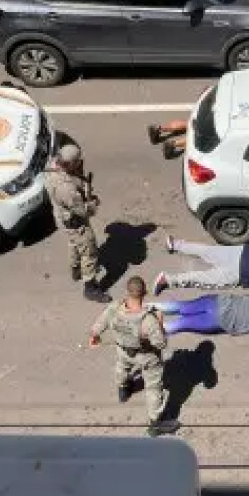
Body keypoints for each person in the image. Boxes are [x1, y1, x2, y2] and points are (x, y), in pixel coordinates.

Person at [89, 276, 179, 437]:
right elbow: (161, 344)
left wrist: (94, 336)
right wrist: (159, 323)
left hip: (123, 350)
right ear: (144, 293)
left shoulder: (114, 308)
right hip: (147, 356)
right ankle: (155, 423)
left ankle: (123, 390)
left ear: (127, 292)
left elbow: (98, 326)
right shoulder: (148, 320)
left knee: (121, 367)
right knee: (153, 387)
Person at [44, 143, 111, 303]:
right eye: (77, 162)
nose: (80, 163)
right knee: (89, 252)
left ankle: (75, 270)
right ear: (70, 164)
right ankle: (90, 287)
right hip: (75, 223)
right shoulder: (66, 189)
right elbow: (82, 211)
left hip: (62, 218)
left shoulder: (53, 166)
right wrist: (93, 204)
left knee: (73, 244)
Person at [154, 291, 249, 342]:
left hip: (216, 315)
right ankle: (148, 314)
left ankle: (149, 325)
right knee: (182, 310)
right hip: (216, 307)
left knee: (182, 321)